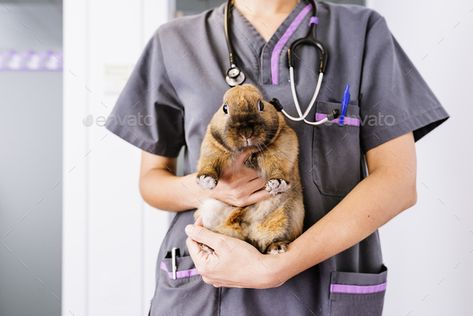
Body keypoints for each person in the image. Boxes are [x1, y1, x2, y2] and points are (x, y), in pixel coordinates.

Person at [105, 0, 449, 315]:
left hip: (320, 286)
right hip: (207, 288)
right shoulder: (175, 41)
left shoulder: (361, 32)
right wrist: (209, 189)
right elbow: (152, 182)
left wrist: (278, 266)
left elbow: (398, 182)